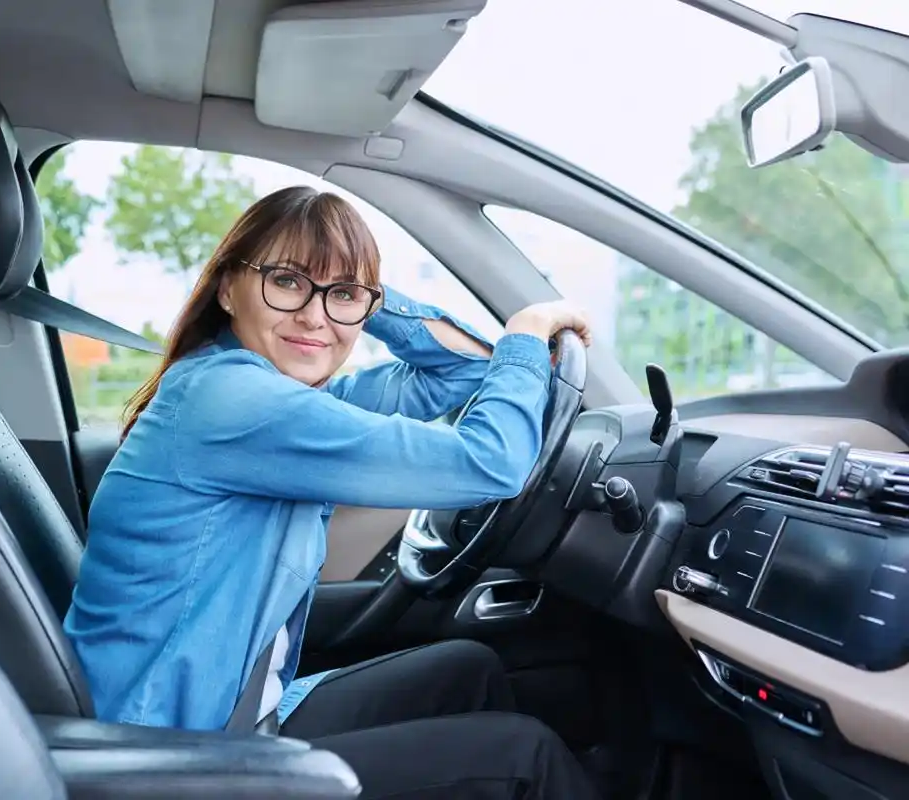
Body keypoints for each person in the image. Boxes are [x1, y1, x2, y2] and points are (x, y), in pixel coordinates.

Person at [64, 185, 600, 799]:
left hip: (237, 716)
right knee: (524, 756)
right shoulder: (239, 404)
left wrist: (353, 294)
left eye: (341, 295)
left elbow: (467, 371)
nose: (315, 318)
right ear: (227, 288)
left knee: (466, 669)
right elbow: (493, 462)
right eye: (286, 282)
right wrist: (528, 329)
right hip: (168, 756)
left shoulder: (266, 396)